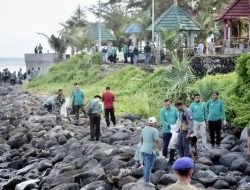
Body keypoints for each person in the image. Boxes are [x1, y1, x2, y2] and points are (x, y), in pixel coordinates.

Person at [141, 117, 161, 188]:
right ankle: (147, 181)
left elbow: (141, 139)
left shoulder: (144, 129)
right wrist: (160, 150)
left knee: (146, 166)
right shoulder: (154, 130)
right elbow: (157, 141)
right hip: (150, 151)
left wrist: (142, 147)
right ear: (155, 123)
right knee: (148, 167)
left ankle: (145, 179)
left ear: (148, 122)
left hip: (143, 150)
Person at [160, 99, 179, 164]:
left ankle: (171, 159)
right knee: (165, 145)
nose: (167, 106)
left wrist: (176, 124)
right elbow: (162, 120)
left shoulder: (174, 109)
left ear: (170, 103)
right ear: (164, 105)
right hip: (166, 130)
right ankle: (164, 158)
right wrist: (168, 125)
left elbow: (178, 117)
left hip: (174, 131)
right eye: (166, 105)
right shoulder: (162, 111)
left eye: (168, 104)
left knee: (172, 145)